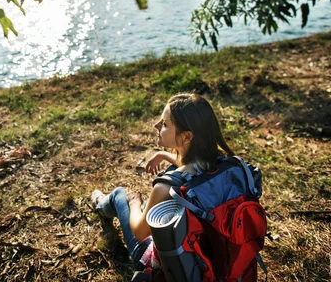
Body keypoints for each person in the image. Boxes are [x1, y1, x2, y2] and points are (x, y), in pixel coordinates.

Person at [91, 93, 235, 272]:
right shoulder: (225, 165)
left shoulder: (164, 189)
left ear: (187, 137)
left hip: (168, 269)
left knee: (121, 194)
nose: (156, 125)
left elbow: (140, 233)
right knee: (148, 210)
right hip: (214, 265)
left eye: (165, 124)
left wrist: (135, 202)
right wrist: (163, 155)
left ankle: (101, 204)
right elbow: (190, 167)